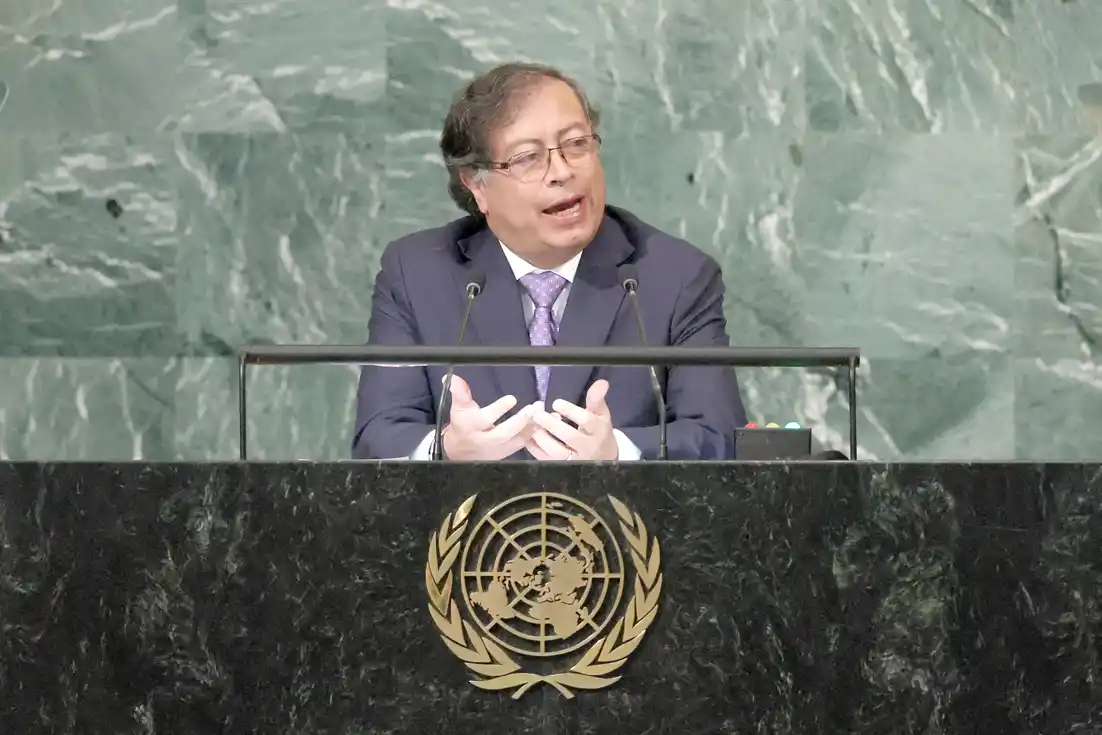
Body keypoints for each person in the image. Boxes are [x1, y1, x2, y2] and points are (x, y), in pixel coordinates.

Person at [352, 62, 747, 461]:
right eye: (528, 158)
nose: (562, 172)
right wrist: (448, 447)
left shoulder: (675, 276)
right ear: (476, 183)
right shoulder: (417, 273)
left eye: (576, 144)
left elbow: (719, 437)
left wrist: (619, 452)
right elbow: (378, 437)